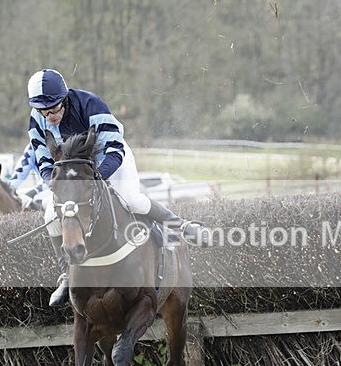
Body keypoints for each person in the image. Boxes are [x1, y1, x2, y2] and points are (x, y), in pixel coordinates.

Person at [26, 68, 210, 306]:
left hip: (109, 159)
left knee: (132, 199)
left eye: (54, 108)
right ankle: (66, 274)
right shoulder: (36, 119)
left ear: (65, 99)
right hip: (74, 173)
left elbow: (114, 149)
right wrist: (62, 185)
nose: (49, 115)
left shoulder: (90, 104)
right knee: (51, 213)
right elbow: (43, 160)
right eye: (43, 110)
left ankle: (182, 226)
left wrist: (96, 179)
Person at [8, 141, 49, 210]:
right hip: (42, 188)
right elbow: (22, 168)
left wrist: (34, 191)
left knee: (36, 199)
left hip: (61, 189)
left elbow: (53, 176)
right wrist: (9, 188)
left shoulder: (62, 143)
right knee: (19, 194)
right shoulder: (33, 145)